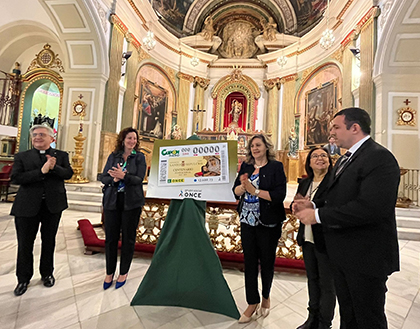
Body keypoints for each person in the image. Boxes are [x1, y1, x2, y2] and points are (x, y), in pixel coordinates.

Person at [294, 107, 400, 329]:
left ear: (355, 128)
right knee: (349, 316)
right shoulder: (346, 159)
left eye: (336, 127)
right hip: (343, 254)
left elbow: (372, 208)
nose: (331, 132)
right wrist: (313, 203)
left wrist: (317, 214)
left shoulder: (379, 157)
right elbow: (337, 198)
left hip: (366, 255)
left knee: (368, 318)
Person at [11, 124, 73, 296]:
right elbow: (16, 178)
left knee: (49, 241)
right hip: (26, 206)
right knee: (25, 244)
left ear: (52, 139)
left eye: (42, 134)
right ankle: (23, 279)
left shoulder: (61, 155)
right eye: (35, 135)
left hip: (52, 206)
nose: (38, 137)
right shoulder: (22, 156)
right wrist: (42, 171)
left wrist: (54, 168)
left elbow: (68, 174)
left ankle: (47, 274)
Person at [232, 134, 287, 323]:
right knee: (249, 262)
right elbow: (235, 191)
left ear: (266, 147)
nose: (255, 148)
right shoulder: (246, 166)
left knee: (267, 262)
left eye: (258, 145)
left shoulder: (275, 167)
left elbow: (279, 195)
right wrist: (242, 187)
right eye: (252, 146)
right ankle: (252, 302)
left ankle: (266, 296)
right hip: (247, 220)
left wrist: (255, 191)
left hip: (268, 222)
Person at [293, 147, 336, 329]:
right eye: (315, 156)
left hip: (326, 239)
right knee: (312, 279)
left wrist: (312, 205)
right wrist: (296, 207)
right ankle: (312, 318)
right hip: (307, 237)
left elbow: (332, 205)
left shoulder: (334, 182)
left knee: (327, 284)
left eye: (323, 155)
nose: (320, 158)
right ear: (309, 162)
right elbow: (298, 204)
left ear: (329, 160)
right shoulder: (305, 183)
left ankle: (324, 323)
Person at [101, 127, 146, 290]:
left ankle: (123, 272)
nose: (132, 141)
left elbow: (139, 178)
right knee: (111, 238)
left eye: (134, 139)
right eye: (129, 138)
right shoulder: (114, 156)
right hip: (113, 201)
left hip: (131, 202)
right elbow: (103, 177)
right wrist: (114, 179)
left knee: (128, 238)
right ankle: (109, 272)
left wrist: (124, 176)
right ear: (122, 140)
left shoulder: (140, 157)